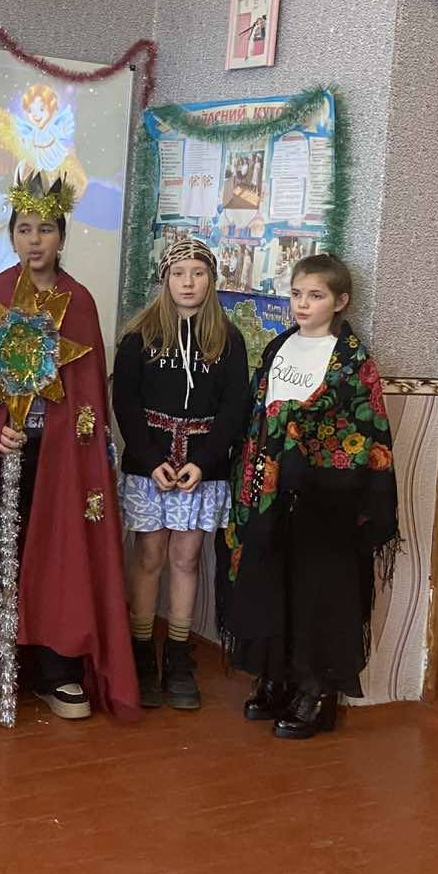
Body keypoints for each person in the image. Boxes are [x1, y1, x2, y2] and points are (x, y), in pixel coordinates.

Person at [0, 172, 140, 722]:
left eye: (45, 229)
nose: (35, 240)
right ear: (12, 236)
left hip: (59, 454)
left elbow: (88, 393)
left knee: (57, 549)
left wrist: (62, 434)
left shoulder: (80, 303)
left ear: (61, 236)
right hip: (3, 451)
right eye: (24, 229)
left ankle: (55, 666)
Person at [221, 254, 399, 740]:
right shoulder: (279, 345)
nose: (303, 304)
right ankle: (276, 676)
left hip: (325, 499)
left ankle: (316, 690)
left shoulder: (352, 361)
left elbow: (361, 429)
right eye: (297, 294)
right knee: (271, 581)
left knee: (319, 593)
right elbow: (260, 415)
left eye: (315, 296)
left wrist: (298, 435)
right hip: (269, 493)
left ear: (340, 301)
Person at [114, 238, 248, 711]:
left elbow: (234, 407)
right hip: (149, 467)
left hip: (200, 468)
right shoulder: (139, 337)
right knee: (149, 556)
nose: (188, 283)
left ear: (211, 279)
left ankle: (177, 654)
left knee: (186, 558)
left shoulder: (227, 340)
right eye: (178, 274)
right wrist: (152, 460)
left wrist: (204, 462)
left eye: (198, 273)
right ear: (164, 280)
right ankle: (140, 652)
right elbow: (125, 404)